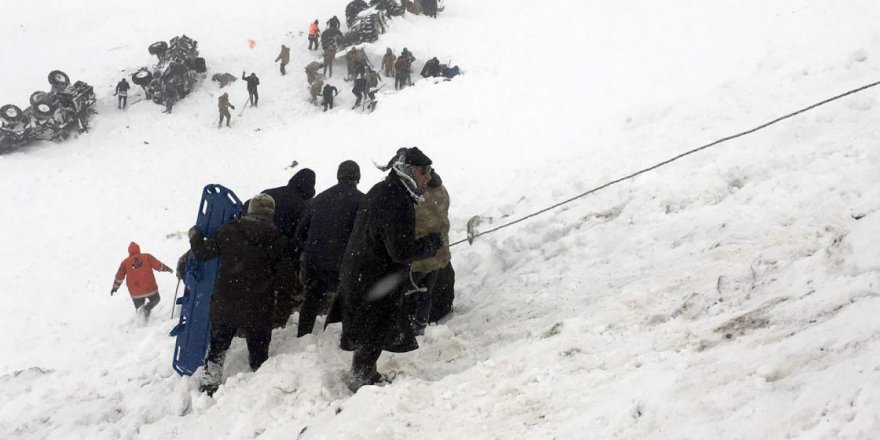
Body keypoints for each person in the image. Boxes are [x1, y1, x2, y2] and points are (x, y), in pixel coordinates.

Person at [330, 147, 441, 392]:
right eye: (424, 172)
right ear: (409, 171)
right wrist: (431, 243)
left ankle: (365, 373)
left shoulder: (385, 190)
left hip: (363, 272)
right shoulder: (396, 199)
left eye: (429, 171)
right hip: (373, 277)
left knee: (371, 330)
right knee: (374, 330)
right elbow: (400, 251)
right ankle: (361, 381)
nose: (428, 177)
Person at [189, 194, 287, 397]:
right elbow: (284, 276)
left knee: (217, 348)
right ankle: (258, 390)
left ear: (250, 210)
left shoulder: (229, 231)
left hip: (227, 303)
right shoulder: (278, 239)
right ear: (270, 213)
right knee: (259, 354)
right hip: (259, 306)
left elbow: (202, 253)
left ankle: (209, 385)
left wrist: (195, 236)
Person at [295, 161, 364, 337]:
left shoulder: (318, 199)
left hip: (315, 262)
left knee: (311, 299)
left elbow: (300, 232)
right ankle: (335, 337)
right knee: (346, 300)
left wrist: (311, 249)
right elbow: (365, 234)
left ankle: (303, 335)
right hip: (344, 263)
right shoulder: (363, 200)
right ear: (357, 178)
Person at [242, 169, 316, 328]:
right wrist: (294, 260)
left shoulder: (268, 193)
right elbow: (301, 235)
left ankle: (244, 318)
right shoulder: (302, 206)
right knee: (284, 289)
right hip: (280, 254)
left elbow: (247, 211)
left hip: (253, 249)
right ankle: (276, 323)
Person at [403, 169, 450, 335]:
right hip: (438, 252)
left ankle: (405, 328)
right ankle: (420, 323)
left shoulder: (416, 194)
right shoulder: (441, 189)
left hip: (420, 255)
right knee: (426, 292)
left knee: (405, 291)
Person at [111, 242, 173, 320]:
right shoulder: (147, 257)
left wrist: (115, 287)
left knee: (139, 310)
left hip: (135, 292)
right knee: (156, 299)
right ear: (138, 249)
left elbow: (119, 276)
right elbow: (158, 266)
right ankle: (147, 309)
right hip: (149, 288)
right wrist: (167, 269)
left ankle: (141, 324)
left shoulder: (125, 263)